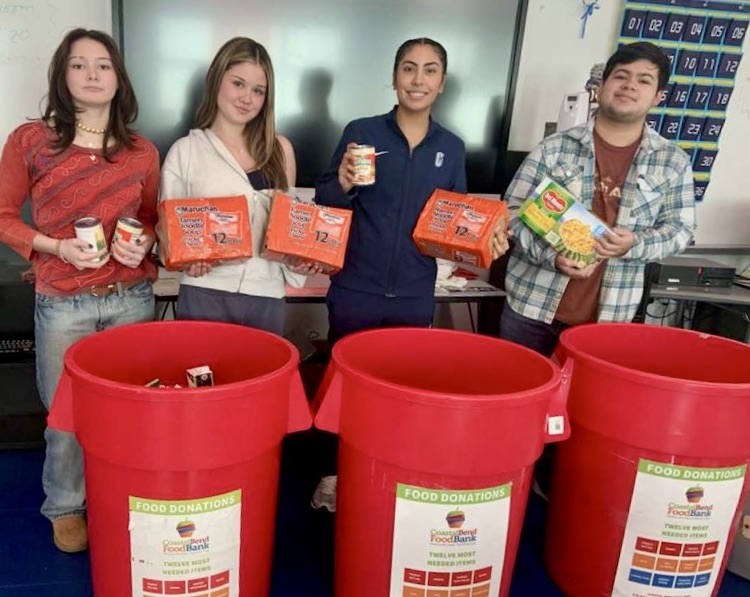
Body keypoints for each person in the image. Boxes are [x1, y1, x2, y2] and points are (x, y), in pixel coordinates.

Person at [311, 37, 509, 512]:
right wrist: (340, 181)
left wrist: (487, 235)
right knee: (347, 391)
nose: (418, 79)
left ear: (442, 83)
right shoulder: (362, 132)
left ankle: (386, 475)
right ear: (395, 75)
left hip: (416, 293)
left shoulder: (452, 147)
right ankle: (333, 478)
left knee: (402, 392)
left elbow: (456, 218)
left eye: (429, 70)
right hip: (356, 286)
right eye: (408, 68)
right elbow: (326, 200)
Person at [0, 29, 160, 552]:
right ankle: (66, 505)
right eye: (78, 65)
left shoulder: (141, 151)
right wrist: (55, 247)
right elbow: (3, 217)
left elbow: (154, 219)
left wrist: (145, 244)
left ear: (119, 78)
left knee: (129, 408)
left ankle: (122, 494)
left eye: (103, 65)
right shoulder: (31, 141)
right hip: (62, 297)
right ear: (62, 77)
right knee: (65, 412)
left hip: (130, 298)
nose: (92, 74)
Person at [500, 41, 696, 358]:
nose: (630, 85)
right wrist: (551, 257)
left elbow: (681, 230)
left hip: (610, 317)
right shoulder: (554, 148)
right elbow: (511, 212)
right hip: (531, 305)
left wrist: (634, 243)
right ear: (601, 85)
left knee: (587, 406)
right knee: (514, 395)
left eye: (644, 80)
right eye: (621, 76)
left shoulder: (672, 162)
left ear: (658, 96)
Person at [159, 37, 316, 335]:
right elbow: (168, 235)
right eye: (238, 84)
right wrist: (186, 260)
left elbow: (288, 233)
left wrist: (301, 261)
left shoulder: (280, 150)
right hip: (205, 294)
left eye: (258, 91)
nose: (247, 98)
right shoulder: (186, 151)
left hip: (266, 295)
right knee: (203, 381)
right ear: (217, 80)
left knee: (262, 381)